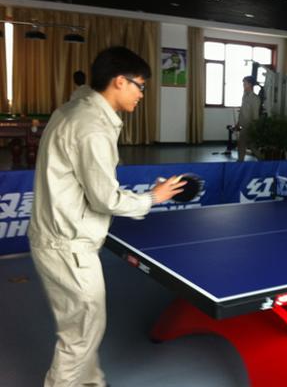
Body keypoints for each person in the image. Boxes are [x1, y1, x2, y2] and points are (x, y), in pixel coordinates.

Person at [28, 46, 186, 387]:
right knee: (81, 331)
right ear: (119, 81)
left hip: (58, 236)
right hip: (68, 244)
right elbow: (104, 198)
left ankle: (91, 381)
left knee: (85, 322)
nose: (141, 94)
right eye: (140, 85)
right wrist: (153, 197)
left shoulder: (74, 109)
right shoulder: (92, 127)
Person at [235, 75, 261, 161]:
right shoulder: (244, 95)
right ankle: (262, 160)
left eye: (245, 83)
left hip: (249, 126)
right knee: (250, 145)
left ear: (250, 84)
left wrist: (254, 128)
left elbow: (255, 115)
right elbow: (242, 110)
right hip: (243, 125)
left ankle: (240, 161)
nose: (243, 85)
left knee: (243, 144)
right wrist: (238, 123)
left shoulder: (255, 98)